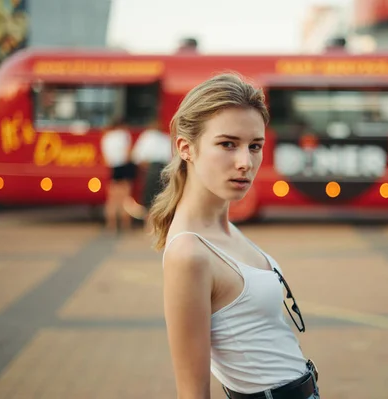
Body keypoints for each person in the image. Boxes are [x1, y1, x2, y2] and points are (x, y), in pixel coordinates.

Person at [148, 73, 320, 399]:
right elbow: (193, 393)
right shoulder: (190, 253)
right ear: (186, 148)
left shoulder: (223, 228)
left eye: (255, 146)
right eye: (228, 144)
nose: (245, 162)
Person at [100, 119, 137, 232]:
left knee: (112, 199)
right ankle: (126, 225)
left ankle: (112, 225)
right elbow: (128, 153)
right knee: (125, 198)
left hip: (114, 168)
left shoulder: (106, 137)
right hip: (124, 167)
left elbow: (106, 158)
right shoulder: (124, 135)